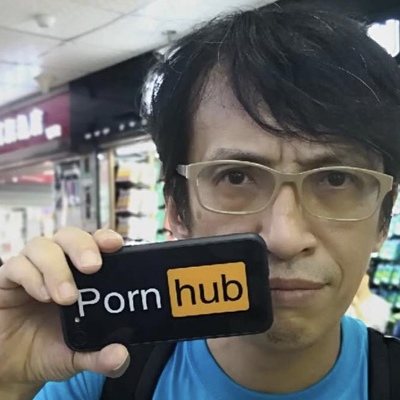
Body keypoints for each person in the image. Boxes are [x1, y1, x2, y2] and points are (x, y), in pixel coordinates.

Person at [0, 2, 400, 399]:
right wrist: (9, 381)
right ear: (176, 211)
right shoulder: (96, 372)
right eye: (236, 177)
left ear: (384, 218)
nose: (285, 237)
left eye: (336, 179)